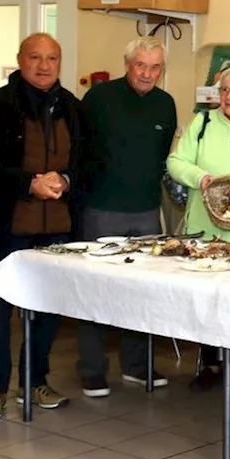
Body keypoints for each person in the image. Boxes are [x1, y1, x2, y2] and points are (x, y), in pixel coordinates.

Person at [0, 34, 85, 422]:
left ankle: (35, 381)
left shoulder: (73, 108)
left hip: (57, 230)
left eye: (53, 57)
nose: (44, 65)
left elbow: (89, 165)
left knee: (46, 309)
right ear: (20, 59)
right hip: (6, 227)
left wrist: (65, 180)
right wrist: (28, 182)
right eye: (35, 57)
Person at [75, 36, 177, 398]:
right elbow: (79, 151)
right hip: (102, 209)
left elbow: (162, 157)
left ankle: (135, 365)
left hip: (147, 212)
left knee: (141, 293)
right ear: (127, 64)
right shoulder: (99, 99)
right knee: (96, 291)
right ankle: (91, 368)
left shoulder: (166, 104)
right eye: (141, 66)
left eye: (155, 68)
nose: (148, 73)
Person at [167, 64, 230, 392]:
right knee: (207, 299)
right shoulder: (203, 122)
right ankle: (209, 364)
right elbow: (175, 162)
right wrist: (201, 178)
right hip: (204, 228)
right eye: (224, 90)